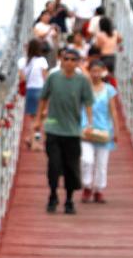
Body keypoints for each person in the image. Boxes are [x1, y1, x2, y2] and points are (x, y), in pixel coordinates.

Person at [34, 47, 95, 214]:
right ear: (61, 60)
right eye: (66, 59)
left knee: (71, 167)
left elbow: (88, 103)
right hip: (53, 129)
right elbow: (43, 98)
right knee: (53, 165)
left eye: (73, 60)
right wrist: (38, 119)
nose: (69, 62)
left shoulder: (82, 81)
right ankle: (53, 195)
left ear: (77, 63)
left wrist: (89, 123)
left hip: (73, 131)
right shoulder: (53, 78)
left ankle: (69, 200)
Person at [80, 59, 121, 204]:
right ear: (89, 72)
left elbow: (113, 111)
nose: (96, 74)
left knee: (102, 163)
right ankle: (86, 186)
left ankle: (98, 190)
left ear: (103, 72)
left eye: (98, 71)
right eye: (93, 71)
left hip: (104, 130)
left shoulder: (109, 89)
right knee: (87, 159)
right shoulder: (83, 88)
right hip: (86, 130)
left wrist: (116, 131)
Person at [18, 38, 49, 149]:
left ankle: (32, 139)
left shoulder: (22, 61)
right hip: (41, 91)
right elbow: (46, 78)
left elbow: (22, 78)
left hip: (30, 91)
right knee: (40, 119)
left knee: (33, 118)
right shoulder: (42, 61)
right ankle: (36, 142)